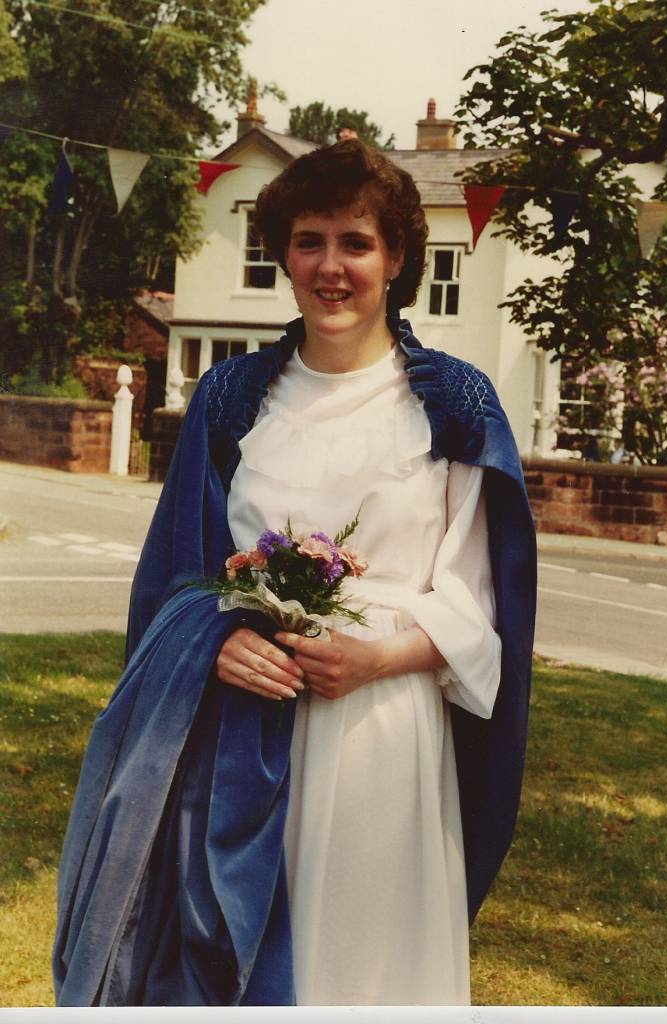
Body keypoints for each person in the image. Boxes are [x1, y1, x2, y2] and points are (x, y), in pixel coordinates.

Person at [53, 139, 536, 1007]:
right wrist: (218, 644)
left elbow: (479, 601)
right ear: (284, 256)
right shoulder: (234, 398)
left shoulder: (452, 404)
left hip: (384, 736)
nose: (331, 267)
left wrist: (374, 661)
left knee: (363, 964)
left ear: (395, 259)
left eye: (356, 241)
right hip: (240, 738)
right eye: (309, 241)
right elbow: (177, 575)